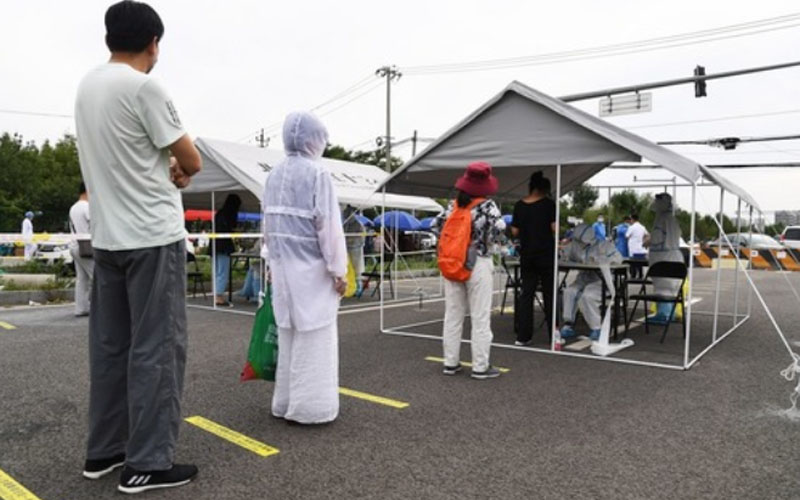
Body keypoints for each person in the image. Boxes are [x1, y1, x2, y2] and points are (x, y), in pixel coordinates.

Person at [74, 1, 202, 493]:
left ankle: (104, 450)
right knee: (158, 349)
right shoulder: (145, 86)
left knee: (111, 349)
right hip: (152, 236)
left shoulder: (87, 85)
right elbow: (189, 156)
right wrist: (180, 169)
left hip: (107, 237)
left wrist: (171, 165)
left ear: (110, 37)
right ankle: (147, 462)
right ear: (153, 42)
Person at [262, 111, 347, 424]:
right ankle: (312, 408)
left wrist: (271, 261)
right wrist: (338, 270)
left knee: (288, 334)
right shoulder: (318, 174)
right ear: (316, 139)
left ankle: (284, 401)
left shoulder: (272, 175)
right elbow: (328, 226)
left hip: (282, 267)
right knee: (316, 337)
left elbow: (267, 226)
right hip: (312, 270)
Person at [433, 161, 506, 379]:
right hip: (478, 264)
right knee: (480, 317)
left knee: (453, 315)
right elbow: (500, 230)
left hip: (453, 263)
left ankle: (450, 363)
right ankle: (480, 366)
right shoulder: (488, 206)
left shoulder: (453, 206)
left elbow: (435, 227)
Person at [510, 171, 556, 346]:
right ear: (543, 189)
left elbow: (514, 231)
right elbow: (554, 227)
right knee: (549, 294)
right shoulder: (548, 205)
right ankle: (554, 335)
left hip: (527, 255)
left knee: (526, 295)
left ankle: (523, 336)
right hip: (545, 254)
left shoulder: (519, 205)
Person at [560, 224, 623, 341]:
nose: (580, 244)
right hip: (585, 277)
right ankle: (568, 324)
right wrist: (564, 256)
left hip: (602, 279)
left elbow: (618, 259)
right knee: (569, 291)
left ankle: (596, 328)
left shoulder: (604, 246)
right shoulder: (576, 246)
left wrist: (602, 261)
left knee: (588, 296)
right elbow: (565, 255)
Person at [647, 193, 684, 324]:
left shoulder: (662, 219)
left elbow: (656, 239)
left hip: (663, 258)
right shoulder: (672, 219)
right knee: (670, 287)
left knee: (663, 287)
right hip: (672, 257)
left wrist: (648, 242)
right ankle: (670, 313)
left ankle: (664, 314)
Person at [69, 183, 94, 317]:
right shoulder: (87, 207)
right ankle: (99, 308)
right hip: (86, 247)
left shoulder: (74, 207)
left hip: (74, 246)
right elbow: (94, 225)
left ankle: (81, 308)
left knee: (81, 278)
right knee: (98, 276)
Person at [213, 194, 241, 306]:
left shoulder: (219, 213)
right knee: (223, 272)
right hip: (224, 245)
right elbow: (232, 227)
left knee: (217, 271)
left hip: (214, 244)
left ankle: (216, 294)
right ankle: (218, 296)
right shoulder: (230, 214)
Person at [343, 206, 366, 296]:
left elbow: (361, 237)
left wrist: (351, 240)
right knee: (348, 269)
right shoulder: (345, 224)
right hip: (347, 249)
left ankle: (358, 287)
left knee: (357, 269)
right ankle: (350, 287)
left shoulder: (358, 224)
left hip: (356, 249)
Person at [626, 213, 649, 279]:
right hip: (641, 248)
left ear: (632, 219)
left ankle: (633, 275)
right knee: (640, 263)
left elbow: (627, 236)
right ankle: (640, 275)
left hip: (633, 248)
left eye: (630, 219)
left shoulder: (631, 227)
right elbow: (647, 235)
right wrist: (644, 241)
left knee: (632, 263)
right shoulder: (642, 227)